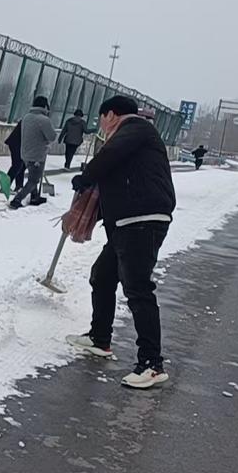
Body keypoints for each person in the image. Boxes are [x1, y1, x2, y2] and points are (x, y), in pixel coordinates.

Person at [65, 95, 176, 389]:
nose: (101, 126)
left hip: (142, 221)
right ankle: (100, 338)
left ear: (111, 115)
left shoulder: (135, 129)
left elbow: (109, 157)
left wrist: (86, 176)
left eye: (102, 119)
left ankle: (151, 363)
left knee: (138, 289)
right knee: (102, 276)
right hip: (128, 223)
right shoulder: (134, 136)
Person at [9, 96, 57, 209]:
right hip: (37, 155)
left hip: (25, 153)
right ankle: (17, 199)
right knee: (34, 180)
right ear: (45, 106)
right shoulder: (44, 120)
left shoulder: (27, 117)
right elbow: (52, 136)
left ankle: (35, 196)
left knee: (33, 176)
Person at [5, 121, 25, 192]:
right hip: (16, 143)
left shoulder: (32, 118)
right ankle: (5, 185)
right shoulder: (31, 120)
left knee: (22, 165)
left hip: (20, 144)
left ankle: (19, 186)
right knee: (17, 164)